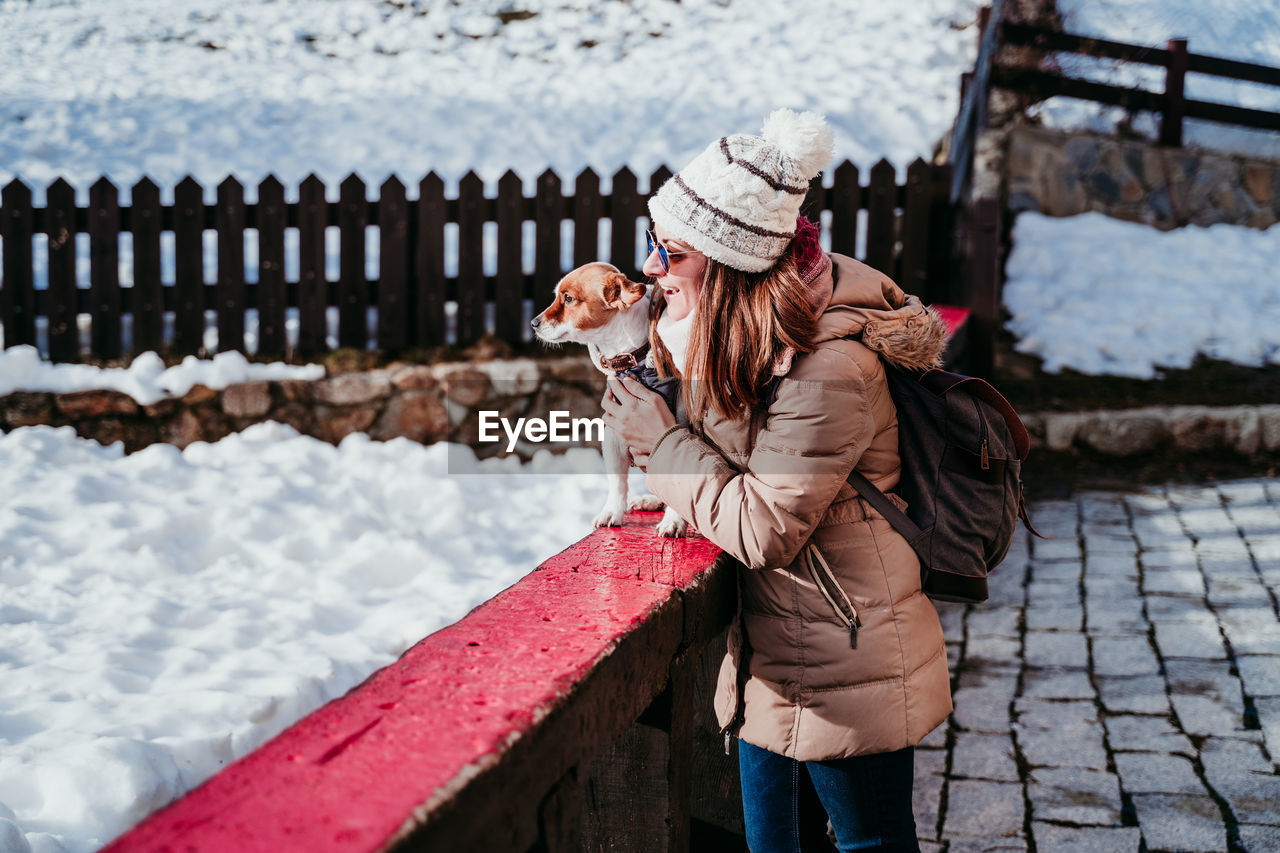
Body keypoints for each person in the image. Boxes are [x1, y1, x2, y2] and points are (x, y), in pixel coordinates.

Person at [600, 109, 953, 853]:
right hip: (771, 659)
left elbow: (764, 525)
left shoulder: (830, 366)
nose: (653, 267)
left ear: (733, 265)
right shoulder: (742, 335)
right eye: (651, 242)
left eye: (673, 251)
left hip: (846, 664)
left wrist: (661, 442)